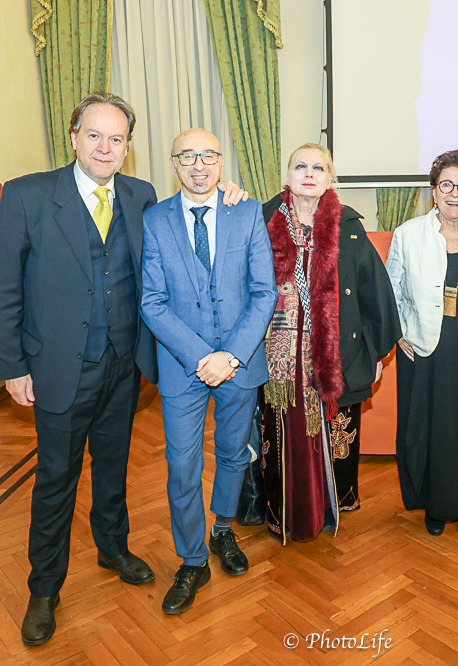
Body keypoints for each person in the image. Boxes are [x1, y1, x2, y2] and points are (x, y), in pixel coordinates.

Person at [0, 94, 248, 645]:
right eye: (95, 136)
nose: (106, 148)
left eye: (117, 139)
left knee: (113, 468)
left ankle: (113, 549)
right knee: (57, 480)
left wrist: (226, 193)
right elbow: (3, 285)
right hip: (56, 368)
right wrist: (11, 364)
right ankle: (44, 589)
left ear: (128, 148)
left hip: (123, 366)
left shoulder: (141, 197)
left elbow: (181, 232)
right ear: (74, 136)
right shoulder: (28, 195)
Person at [140, 128, 275, 614]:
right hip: (183, 368)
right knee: (182, 465)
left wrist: (232, 355)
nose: (199, 165)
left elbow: (265, 292)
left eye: (208, 156)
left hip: (240, 365)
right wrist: (202, 357)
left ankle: (222, 531)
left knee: (235, 454)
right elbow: (152, 302)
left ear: (221, 162)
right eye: (187, 156)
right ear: (174, 164)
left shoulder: (248, 212)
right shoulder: (154, 221)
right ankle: (192, 559)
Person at [258, 143, 400, 543]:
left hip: (336, 354)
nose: (308, 173)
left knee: (334, 433)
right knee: (282, 436)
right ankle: (284, 511)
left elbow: (375, 291)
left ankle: (330, 506)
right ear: (287, 176)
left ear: (329, 179)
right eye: (300, 166)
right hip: (276, 359)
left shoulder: (348, 226)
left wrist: (374, 350)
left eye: (318, 167)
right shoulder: (260, 221)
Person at [386, 149, 458, 536]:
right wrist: (400, 333)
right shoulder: (408, 234)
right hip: (425, 350)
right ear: (433, 191)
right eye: (446, 185)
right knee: (429, 427)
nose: (455, 193)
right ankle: (434, 505)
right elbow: (392, 292)